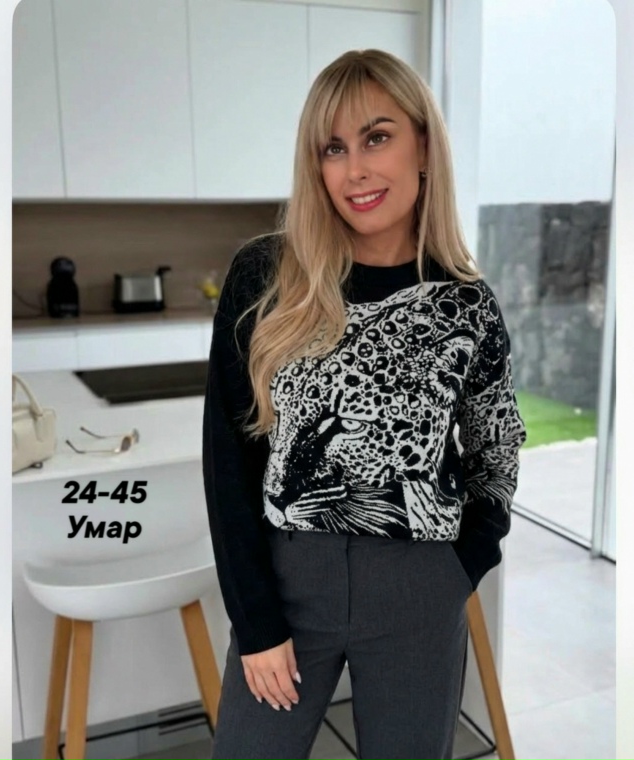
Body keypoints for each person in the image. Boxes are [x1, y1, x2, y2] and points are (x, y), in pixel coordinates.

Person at [202, 48, 527, 760]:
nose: (355, 170)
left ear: (423, 146)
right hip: (289, 581)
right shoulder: (265, 276)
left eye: (377, 137)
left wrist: (462, 566)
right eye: (333, 148)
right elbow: (230, 460)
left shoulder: (465, 304)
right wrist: (255, 622)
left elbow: (497, 444)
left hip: (419, 588)